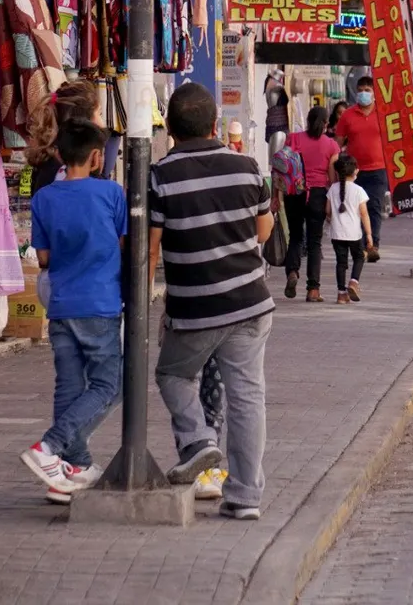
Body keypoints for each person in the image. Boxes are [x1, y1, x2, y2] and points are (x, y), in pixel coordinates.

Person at [149, 83, 275, 521]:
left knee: (173, 375)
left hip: (196, 307)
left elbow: (150, 248)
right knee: (247, 397)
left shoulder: (161, 175)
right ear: (215, 124)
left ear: (170, 129)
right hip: (251, 303)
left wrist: (143, 301)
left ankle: (199, 441)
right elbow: (263, 230)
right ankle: (245, 498)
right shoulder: (247, 166)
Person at [21, 119, 126, 501]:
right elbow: (123, 242)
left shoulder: (44, 198)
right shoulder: (112, 194)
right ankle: (48, 448)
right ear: (97, 157)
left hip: (61, 304)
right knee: (108, 385)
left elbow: (44, 255)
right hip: (100, 303)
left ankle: (72, 469)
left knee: (68, 388)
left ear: (61, 155)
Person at [279, 106, 340, 302]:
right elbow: (331, 177)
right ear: (326, 124)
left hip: (295, 193)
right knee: (314, 242)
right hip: (317, 194)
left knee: (295, 236)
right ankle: (313, 290)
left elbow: (283, 167)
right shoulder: (331, 146)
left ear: (307, 120)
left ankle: (292, 272)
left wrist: (276, 196)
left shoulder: (294, 139)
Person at [335, 76, 386, 261]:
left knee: (374, 207)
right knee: (355, 209)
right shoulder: (348, 115)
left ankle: (372, 245)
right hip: (354, 172)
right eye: (361, 89)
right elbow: (338, 143)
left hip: (379, 169)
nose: (364, 93)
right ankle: (360, 244)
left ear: (374, 93)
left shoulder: (383, 113)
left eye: (368, 90)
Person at [327, 154, 374, 305]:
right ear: (355, 172)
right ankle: (353, 282)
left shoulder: (333, 189)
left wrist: (331, 218)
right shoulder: (358, 190)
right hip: (354, 233)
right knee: (359, 257)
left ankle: (341, 294)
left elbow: (327, 211)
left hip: (336, 232)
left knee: (341, 263)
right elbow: (364, 214)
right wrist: (369, 234)